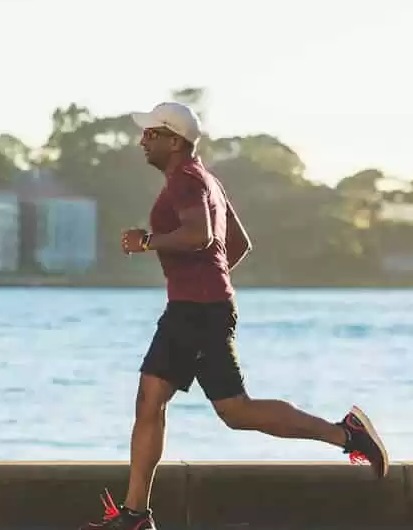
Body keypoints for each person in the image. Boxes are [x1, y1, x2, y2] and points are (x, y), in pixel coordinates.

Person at [79, 102, 389, 530]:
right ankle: (136, 514)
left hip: (197, 312)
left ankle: (346, 434)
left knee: (223, 409)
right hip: (198, 307)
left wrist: (148, 241)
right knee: (171, 403)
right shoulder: (206, 180)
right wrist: (206, 278)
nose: (142, 141)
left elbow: (201, 236)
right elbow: (236, 245)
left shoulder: (186, 181)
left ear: (174, 140)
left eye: (151, 134)